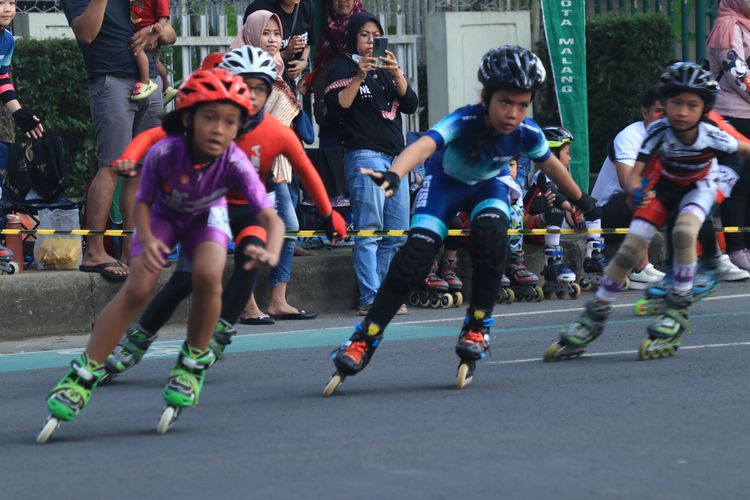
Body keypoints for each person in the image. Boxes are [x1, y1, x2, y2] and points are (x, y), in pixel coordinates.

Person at [322, 45, 602, 396]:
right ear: (486, 97)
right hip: (445, 186)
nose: (513, 113)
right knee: (412, 260)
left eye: (522, 104)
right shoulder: (465, 120)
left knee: (491, 237)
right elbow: (423, 146)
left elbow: (552, 167)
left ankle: (477, 326)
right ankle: (365, 339)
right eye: (505, 102)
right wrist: (395, 174)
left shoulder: (527, 133)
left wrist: (582, 199)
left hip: (487, 186)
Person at [38, 69, 282, 442]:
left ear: (240, 128)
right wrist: (148, 239)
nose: (219, 129)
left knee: (208, 274)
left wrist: (274, 247)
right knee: (138, 288)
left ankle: (191, 363)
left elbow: (269, 217)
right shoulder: (165, 151)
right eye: (209, 117)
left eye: (230, 121)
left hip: (205, 217)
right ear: (187, 118)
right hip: (162, 216)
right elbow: (143, 202)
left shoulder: (235, 161)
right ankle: (84, 372)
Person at [101, 47, 347, 380]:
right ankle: (136, 341)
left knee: (250, 259)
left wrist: (329, 212)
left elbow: (306, 171)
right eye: (246, 88)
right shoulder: (212, 121)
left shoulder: (276, 132)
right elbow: (152, 135)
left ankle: (220, 334)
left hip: (248, 208)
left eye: (261, 89)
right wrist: (130, 155)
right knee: (184, 280)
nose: (254, 97)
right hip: (207, 207)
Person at [544, 62, 750, 363]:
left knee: (683, 230)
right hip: (665, 184)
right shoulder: (657, 131)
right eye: (675, 103)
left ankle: (678, 306)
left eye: (691, 105)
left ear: (704, 109)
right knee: (629, 249)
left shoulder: (711, 133)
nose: (682, 111)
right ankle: (596, 312)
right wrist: (640, 193)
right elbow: (638, 173)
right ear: (663, 104)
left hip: (702, 185)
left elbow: (743, 150)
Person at [61, 0, 176, 281]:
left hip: (148, 84)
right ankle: (95, 252)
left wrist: (156, 30)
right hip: (111, 82)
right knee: (112, 166)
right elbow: (86, 34)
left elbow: (171, 34)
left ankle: (131, 253)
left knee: (139, 172)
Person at [325, 12, 418, 315]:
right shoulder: (341, 67)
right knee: (370, 229)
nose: (370, 41)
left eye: (375, 35)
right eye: (364, 34)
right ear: (353, 37)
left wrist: (398, 74)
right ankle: (370, 296)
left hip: (397, 161)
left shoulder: (388, 70)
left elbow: (411, 104)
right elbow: (337, 108)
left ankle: (384, 294)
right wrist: (359, 76)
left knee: (397, 231)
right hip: (365, 155)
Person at [231, 11, 315, 321]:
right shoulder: (240, 67)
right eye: (265, 33)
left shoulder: (279, 68)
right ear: (251, 33)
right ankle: (247, 303)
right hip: (248, 164)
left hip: (277, 162)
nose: (272, 39)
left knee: (289, 226)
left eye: (276, 34)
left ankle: (278, 299)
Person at [591, 84, 666, 288]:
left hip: (635, 204)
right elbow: (627, 181)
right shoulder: (629, 136)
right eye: (659, 111)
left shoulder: (670, 137)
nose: (664, 118)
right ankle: (640, 269)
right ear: (645, 112)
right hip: (604, 210)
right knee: (641, 196)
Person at [524, 126, 607, 297]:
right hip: (530, 224)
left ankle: (594, 257)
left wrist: (585, 207)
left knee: (594, 206)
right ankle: (553, 262)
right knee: (555, 207)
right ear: (553, 155)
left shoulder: (564, 174)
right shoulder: (542, 173)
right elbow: (553, 192)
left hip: (550, 223)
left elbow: (576, 196)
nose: (570, 157)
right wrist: (571, 207)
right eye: (567, 153)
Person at [708, 0, 750, 271]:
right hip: (732, 115)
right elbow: (738, 73)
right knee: (738, 184)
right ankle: (736, 248)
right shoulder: (727, 24)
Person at [299, 0, 363, 146]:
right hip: (331, 109)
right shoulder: (326, 29)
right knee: (330, 158)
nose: (342, 1)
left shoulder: (365, 27)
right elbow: (324, 65)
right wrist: (310, 79)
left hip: (359, 110)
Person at [0, 0, 44, 140]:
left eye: (12, 3)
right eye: (1, 3)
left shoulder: (8, 41)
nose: (8, 9)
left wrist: (18, 112)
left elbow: (1, 77)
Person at [244, 0, 315, 87]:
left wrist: (303, 62)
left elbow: (308, 42)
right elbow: (251, 55)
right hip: (261, 80)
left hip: (287, 82)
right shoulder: (259, 9)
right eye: (266, 33)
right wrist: (285, 54)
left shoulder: (306, 5)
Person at [504, 156, 543, 302]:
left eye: (512, 164)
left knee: (515, 214)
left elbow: (523, 225)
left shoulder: (517, 189)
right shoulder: (491, 187)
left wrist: (532, 212)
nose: (508, 169)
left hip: (514, 243)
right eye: (504, 165)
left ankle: (515, 261)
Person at [129, 0, 177, 103]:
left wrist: (158, 28)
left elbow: (164, 15)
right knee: (155, 61)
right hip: (141, 30)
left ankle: (145, 82)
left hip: (150, 33)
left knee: (137, 50)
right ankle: (166, 88)